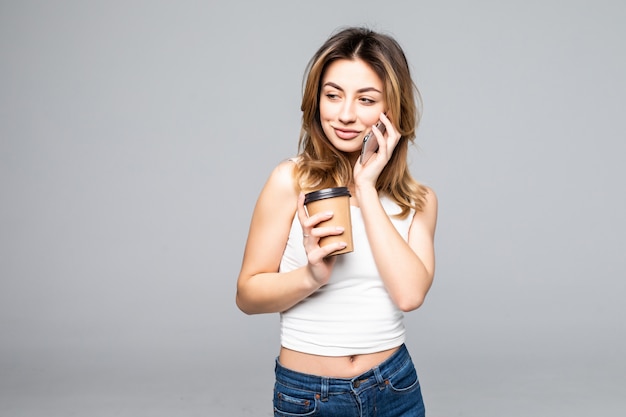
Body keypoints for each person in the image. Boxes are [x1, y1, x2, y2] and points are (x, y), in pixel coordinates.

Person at [236, 26, 438, 417]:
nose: (345, 114)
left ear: (392, 110)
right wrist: (311, 277)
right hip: (310, 396)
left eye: (366, 99)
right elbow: (247, 295)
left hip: (395, 387)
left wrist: (364, 187)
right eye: (333, 95)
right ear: (316, 101)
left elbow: (410, 296)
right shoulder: (290, 182)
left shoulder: (419, 200)